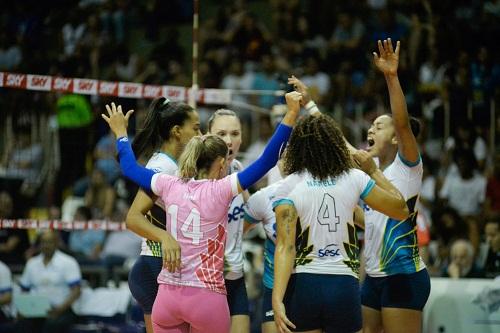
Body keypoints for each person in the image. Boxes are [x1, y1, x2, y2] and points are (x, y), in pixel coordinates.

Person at [102, 92, 301, 333]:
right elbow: (268, 160)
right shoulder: (221, 190)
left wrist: (121, 135)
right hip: (205, 295)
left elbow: (129, 167)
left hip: (169, 295)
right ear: (220, 163)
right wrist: (291, 114)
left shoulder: (168, 183)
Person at [271, 114, 409, 333]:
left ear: (298, 147)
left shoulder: (287, 186)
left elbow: (285, 246)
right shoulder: (355, 177)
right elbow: (401, 210)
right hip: (343, 284)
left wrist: (277, 299)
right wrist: (373, 171)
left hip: (305, 284)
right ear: (335, 144)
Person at [360, 39, 430, 333]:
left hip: (402, 275)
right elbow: (338, 143)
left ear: (394, 138)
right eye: (371, 126)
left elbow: (402, 123)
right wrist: (309, 105)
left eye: (379, 125)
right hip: (373, 277)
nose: (370, 129)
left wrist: (391, 76)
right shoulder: (371, 169)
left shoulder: (408, 165)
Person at [125, 98, 201, 333]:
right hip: (156, 267)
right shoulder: (162, 166)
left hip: (171, 268)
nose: (201, 134)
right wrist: (165, 238)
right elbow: (133, 218)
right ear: (177, 131)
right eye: (196, 128)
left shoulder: (180, 164)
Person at [207, 109, 249, 333]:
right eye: (221, 133)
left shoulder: (238, 169)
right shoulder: (196, 175)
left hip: (235, 275)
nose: (229, 140)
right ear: (207, 136)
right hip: (205, 280)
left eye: (235, 133)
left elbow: (250, 210)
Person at [17, 230, 81, 333]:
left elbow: (76, 291)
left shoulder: (68, 262)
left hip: (62, 309)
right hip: (36, 309)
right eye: (43, 242)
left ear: (56, 243)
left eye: (49, 242)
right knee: (21, 324)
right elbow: (24, 290)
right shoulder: (32, 263)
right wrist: (21, 309)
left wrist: (60, 309)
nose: (46, 245)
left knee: (51, 325)